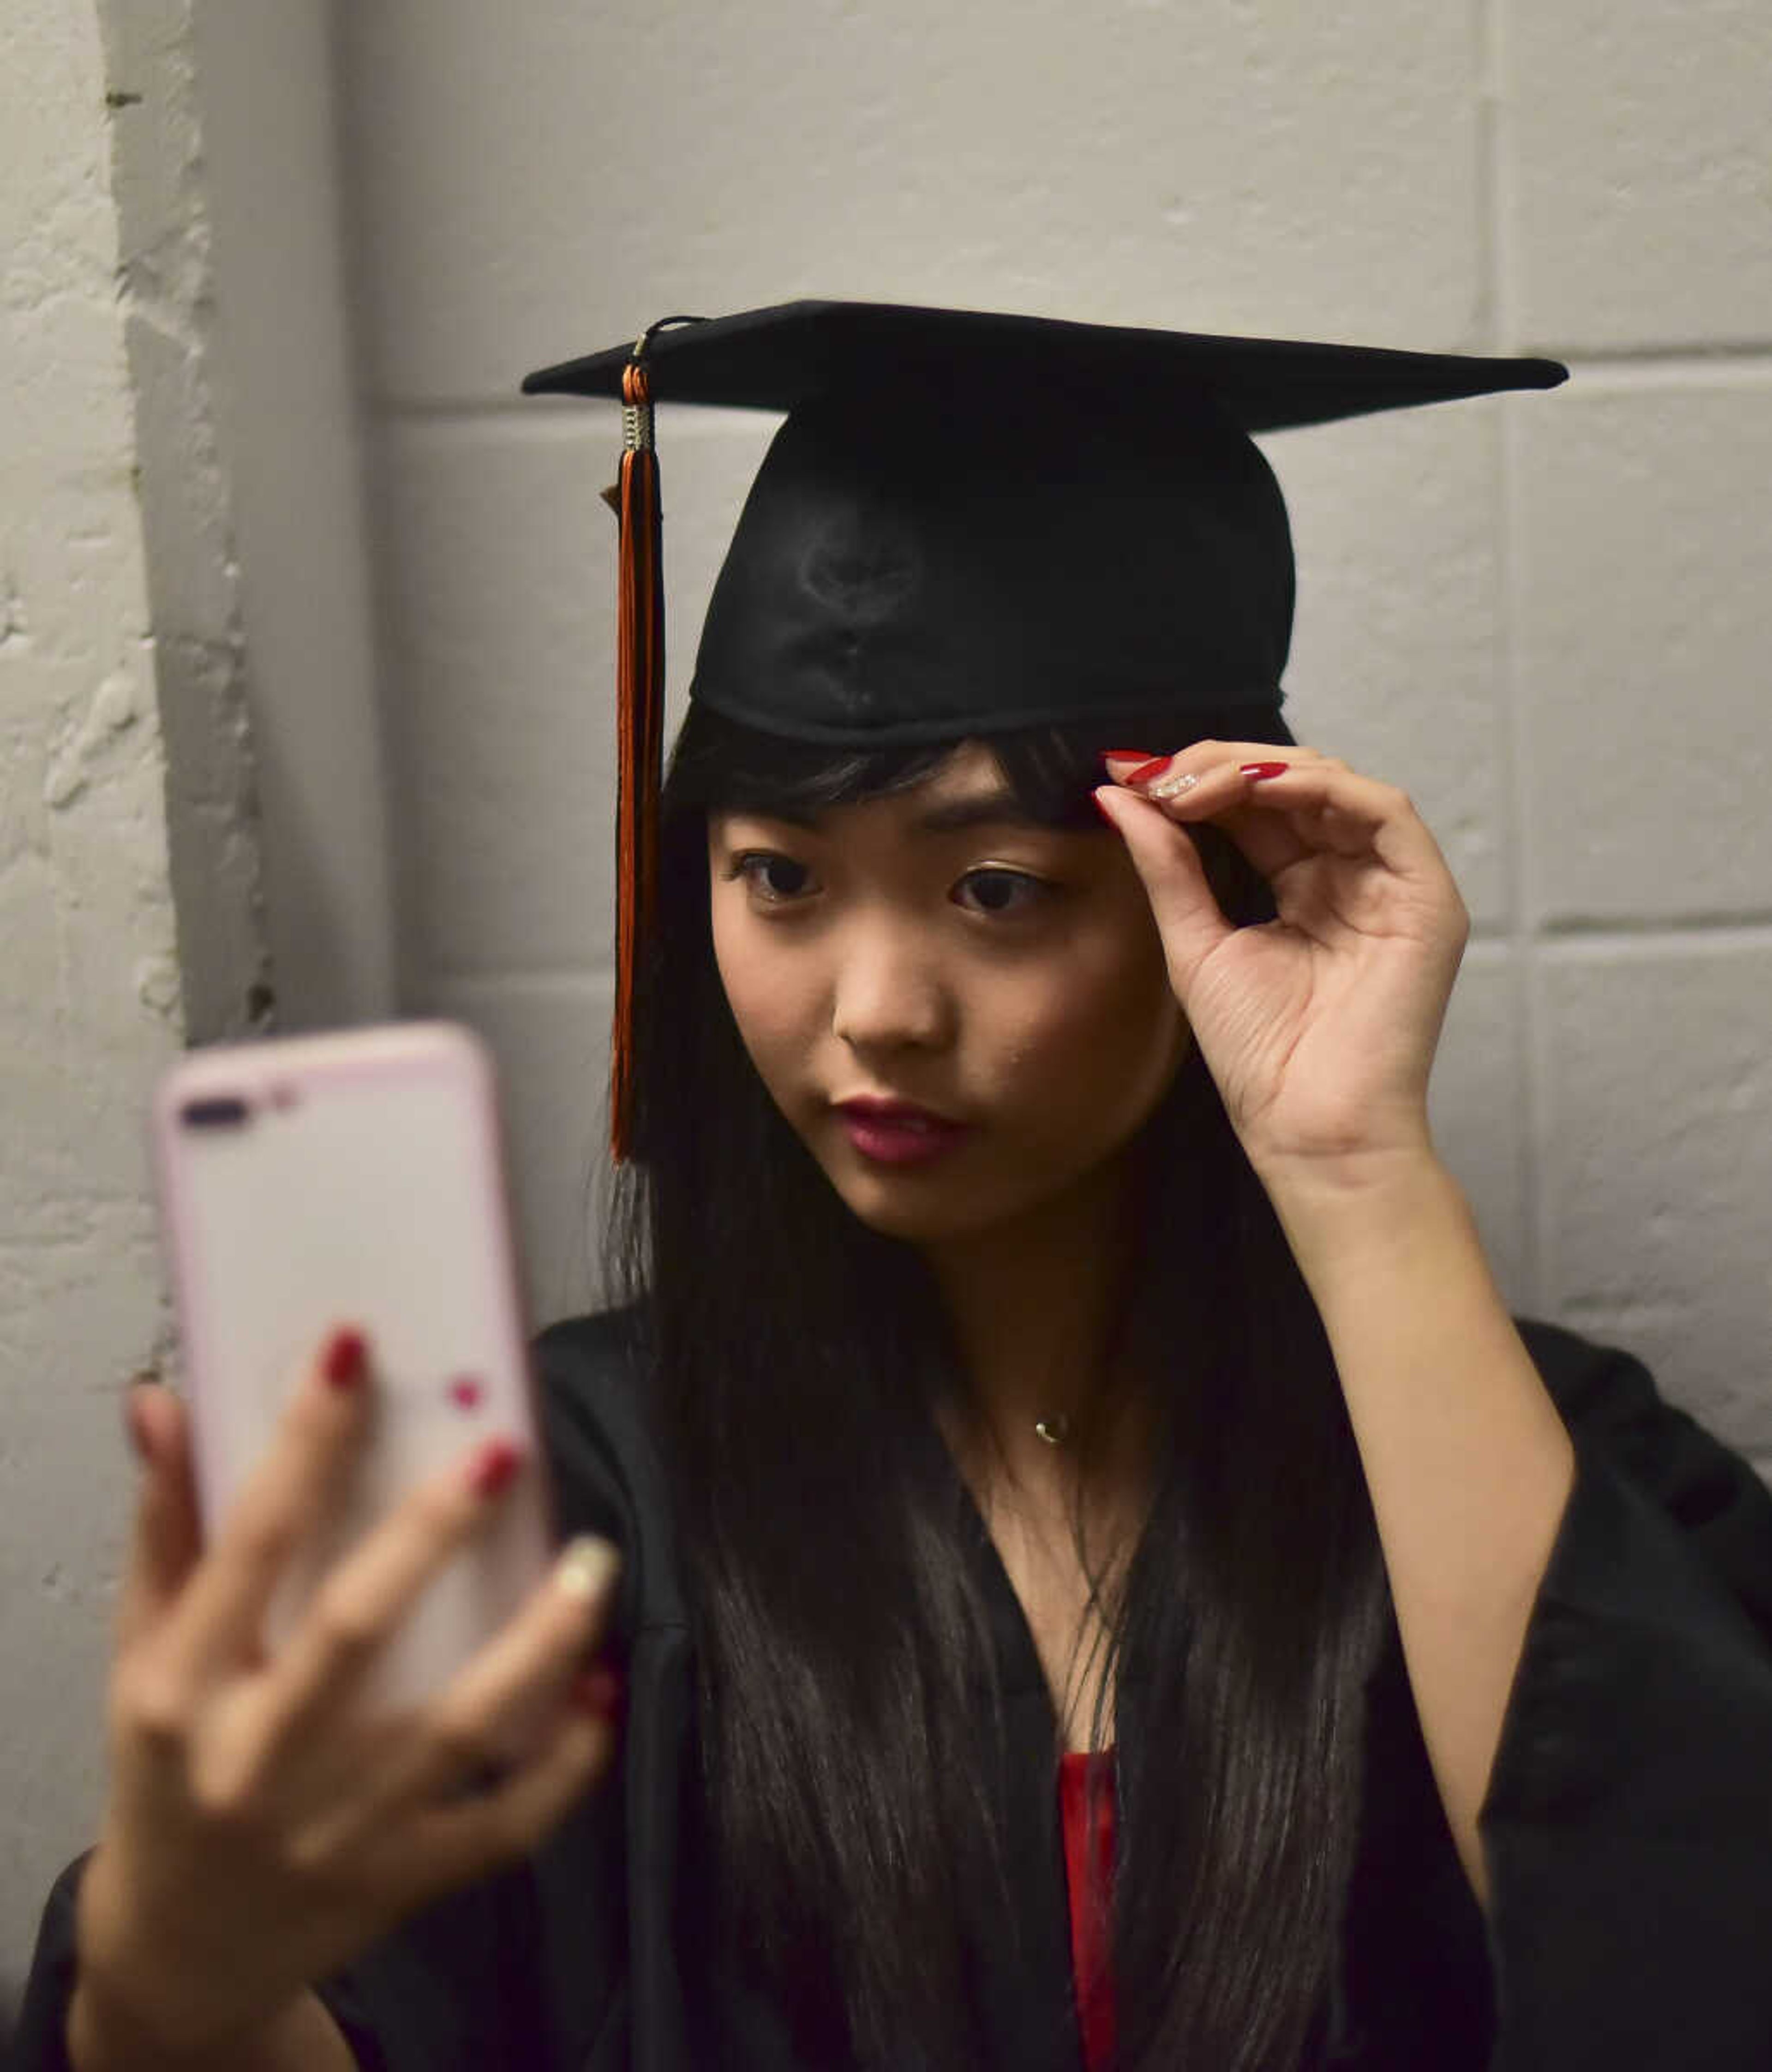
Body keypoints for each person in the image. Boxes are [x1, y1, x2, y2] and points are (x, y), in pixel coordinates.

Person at [15, 304, 1772, 2072]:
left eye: (995, 889)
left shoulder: (1502, 1456)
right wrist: (177, 1982)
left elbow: (1693, 1960)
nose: (871, 1009)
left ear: (1216, 878)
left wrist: (1355, 1161)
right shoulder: (564, 1515)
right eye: (779, 876)